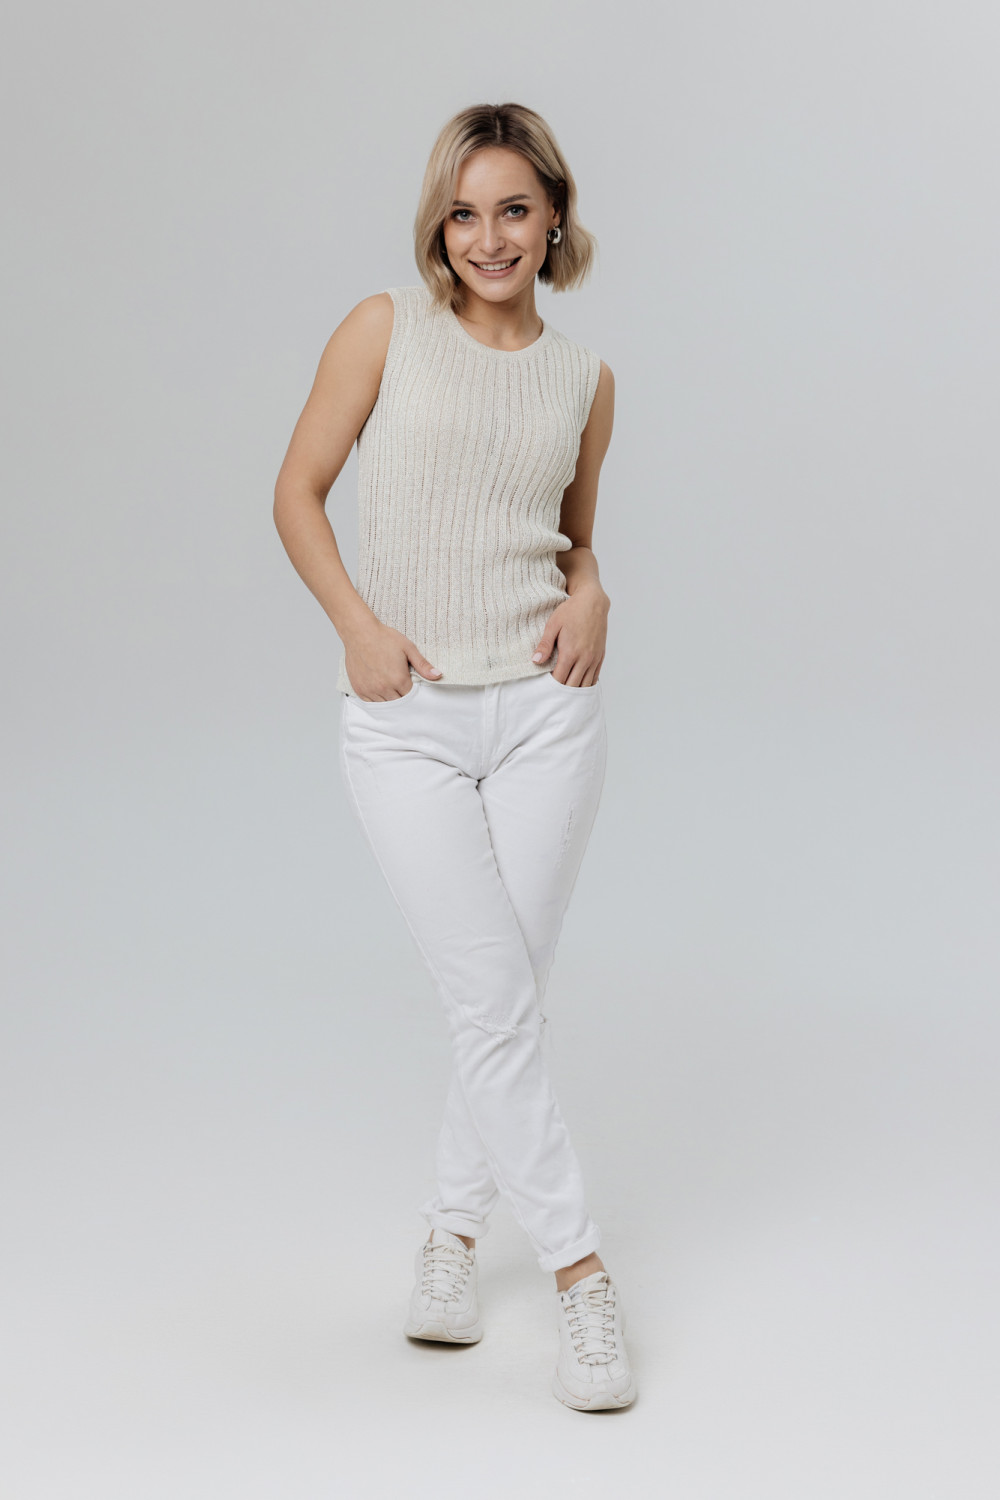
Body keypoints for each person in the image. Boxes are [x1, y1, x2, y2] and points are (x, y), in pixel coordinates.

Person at [273, 101, 635, 1411]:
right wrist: (358, 628)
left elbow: (571, 538)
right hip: (408, 715)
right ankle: (581, 1276)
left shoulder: (587, 381)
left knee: (506, 1000)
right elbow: (296, 491)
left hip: (545, 712)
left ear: (554, 217)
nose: (489, 238)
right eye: (465, 212)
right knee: (492, 998)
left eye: (515, 210)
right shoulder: (384, 330)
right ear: (441, 224)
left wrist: (595, 591)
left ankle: (450, 1237)